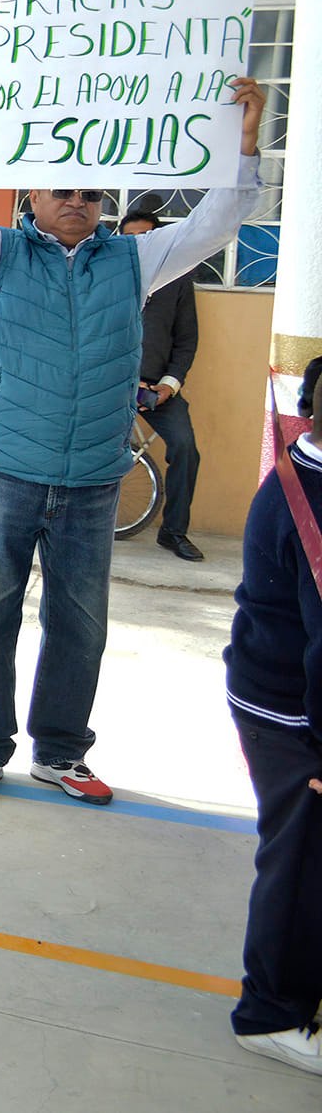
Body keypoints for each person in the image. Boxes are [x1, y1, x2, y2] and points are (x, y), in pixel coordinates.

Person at [0, 65, 264, 805]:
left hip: (90, 478)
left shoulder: (134, 261)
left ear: (102, 203)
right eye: (61, 192)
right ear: (32, 200)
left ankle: (60, 752)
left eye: (88, 193)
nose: (77, 203)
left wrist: (242, 141)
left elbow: (218, 220)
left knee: (80, 624)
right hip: (4, 472)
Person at [223, 355, 322, 1077]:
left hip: (282, 689)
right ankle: (272, 1012)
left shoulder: (305, 466)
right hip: (293, 710)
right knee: (302, 857)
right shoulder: (311, 498)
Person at [118, 196, 205, 561]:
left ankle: (173, 532)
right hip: (110, 386)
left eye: (147, 237)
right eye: (131, 238)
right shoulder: (106, 276)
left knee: (186, 449)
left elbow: (186, 340)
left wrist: (169, 384)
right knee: (89, 448)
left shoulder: (178, 281)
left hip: (158, 389)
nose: (140, 244)